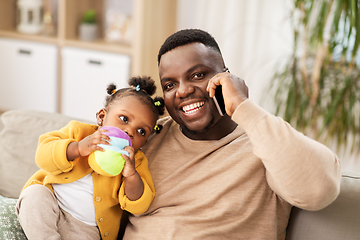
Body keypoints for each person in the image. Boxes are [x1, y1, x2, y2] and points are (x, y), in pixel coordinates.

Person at [122, 29, 341, 240]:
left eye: (198, 75)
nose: (183, 91)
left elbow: (320, 191)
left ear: (226, 78)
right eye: (170, 84)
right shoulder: (146, 137)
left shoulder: (265, 142)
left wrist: (241, 105)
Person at [16, 76, 165, 240]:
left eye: (141, 131)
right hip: (51, 201)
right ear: (102, 117)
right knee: (33, 195)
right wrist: (78, 148)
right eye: (124, 119)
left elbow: (140, 206)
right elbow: (43, 154)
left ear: (145, 141)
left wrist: (130, 176)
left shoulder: (135, 161)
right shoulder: (79, 132)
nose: (130, 131)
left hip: (85, 228)